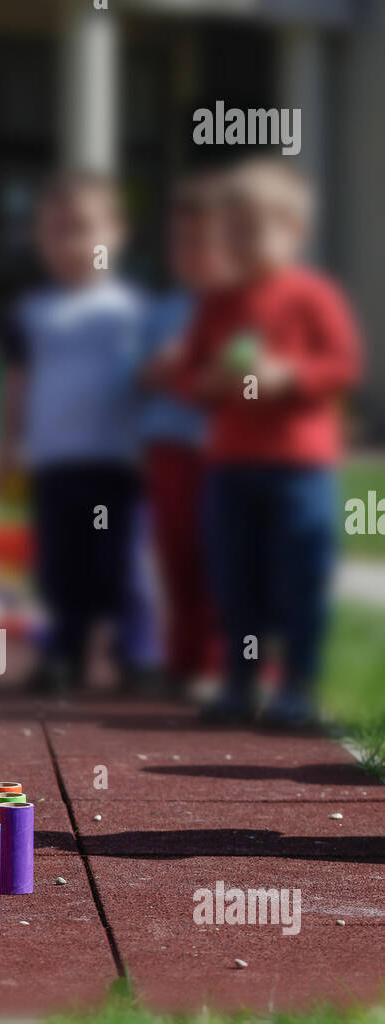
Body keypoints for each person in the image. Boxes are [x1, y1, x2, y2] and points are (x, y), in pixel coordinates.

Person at [167, 158, 363, 726]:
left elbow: (343, 364)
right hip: (229, 467)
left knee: (298, 576)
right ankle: (239, 679)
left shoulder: (312, 296)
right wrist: (204, 385)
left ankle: (297, 684)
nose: (238, 244)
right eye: (230, 231)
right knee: (234, 576)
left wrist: (289, 376)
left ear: (294, 231)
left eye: (252, 230)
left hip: (298, 466)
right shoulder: (217, 305)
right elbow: (188, 375)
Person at [0, 170, 154, 693]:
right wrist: (7, 445)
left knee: (125, 564)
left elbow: (155, 379)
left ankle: (137, 654)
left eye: (83, 228)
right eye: (56, 230)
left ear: (116, 233)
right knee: (60, 567)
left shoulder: (132, 311)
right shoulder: (32, 313)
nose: (70, 243)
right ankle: (64, 652)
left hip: (119, 462)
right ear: (39, 238)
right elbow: (17, 383)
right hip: (55, 463)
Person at [141, 172, 229, 693]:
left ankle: (222, 660)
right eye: (181, 242)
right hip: (169, 449)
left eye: (203, 242)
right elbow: (138, 373)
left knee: (221, 554)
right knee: (175, 554)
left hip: (224, 454)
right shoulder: (163, 311)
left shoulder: (243, 309)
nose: (190, 253)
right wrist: (165, 366)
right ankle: (182, 657)